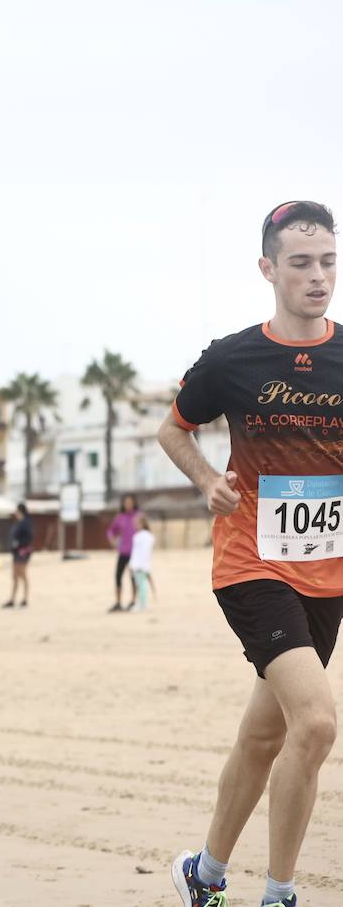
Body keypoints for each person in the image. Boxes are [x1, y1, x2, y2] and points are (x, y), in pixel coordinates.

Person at [159, 199, 342, 907]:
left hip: (328, 573)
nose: (318, 276)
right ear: (268, 269)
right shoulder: (232, 359)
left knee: (266, 737)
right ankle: (280, 892)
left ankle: (202, 874)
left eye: (328, 261)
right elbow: (174, 429)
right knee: (318, 723)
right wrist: (208, 479)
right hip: (253, 564)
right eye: (300, 263)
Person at [106, 494, 139, 612]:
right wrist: (112, 539)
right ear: (123, 504)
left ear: (134, 503)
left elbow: (146, 531)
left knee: (134, 578)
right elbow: (111, 531)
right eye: (126, 502)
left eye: (130, 502)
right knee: (118, 576)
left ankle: (134, 601)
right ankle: (118, 602)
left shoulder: (138, 516)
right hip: (123, 552)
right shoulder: (120, 517)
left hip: (135, 553)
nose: (128, 504)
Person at [3, 504, 33, 609]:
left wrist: (19, 544)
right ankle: (12, 599)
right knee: (15, 576)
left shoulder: (26, 523)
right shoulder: (18, 523)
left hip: (23, 552)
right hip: (16, 552)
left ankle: (25, 598)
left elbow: (29, 538)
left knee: (22, 575)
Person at [128, 514, 155, 612]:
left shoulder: (144, 536)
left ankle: (141, 604)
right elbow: (136, 552)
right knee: (141, 584)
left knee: (141, 585)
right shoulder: (140, 536)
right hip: (139, 564)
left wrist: (137, 564)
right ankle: (143, 603)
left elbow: (143, 552)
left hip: (140, 565)